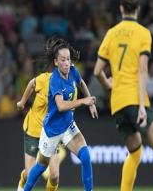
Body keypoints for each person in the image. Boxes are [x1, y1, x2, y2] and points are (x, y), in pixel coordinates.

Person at [93, 0, 153, 191]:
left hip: (118, 104)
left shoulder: (111, 33)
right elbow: (142, 71)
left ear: (121, 8)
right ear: (138, 9)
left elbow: (98, 70)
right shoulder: (143, 33)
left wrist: (109, 86)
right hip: (135, 98)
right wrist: (142, 106)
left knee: (135, 153)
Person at [23, 37, 97, 191]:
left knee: (85, 156)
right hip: (52, 130)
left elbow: (81, 82)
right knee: (41, 166)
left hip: (68, 125)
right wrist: (83, 101)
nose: (66, 63)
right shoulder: (55, 80)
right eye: (63, 60)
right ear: (56, 62)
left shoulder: (72, 71)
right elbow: (61, 106)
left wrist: (91, 104)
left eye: (68, 59)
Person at [16, 66, 70, 191]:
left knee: (54, 175)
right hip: (34, 129)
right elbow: (31, 83)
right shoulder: (44, 79)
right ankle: (23, 178)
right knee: (30, 176)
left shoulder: (68, 86)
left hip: (52, 133)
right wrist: (22, 102)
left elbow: (67, 111)